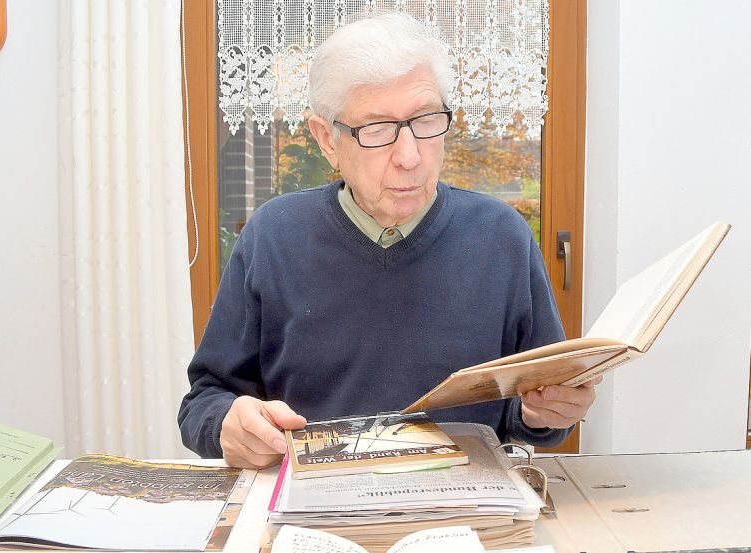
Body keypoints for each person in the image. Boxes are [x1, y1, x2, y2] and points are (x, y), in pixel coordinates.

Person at [178, 12, 600, 469]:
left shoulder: (501, 236)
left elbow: (537, 415)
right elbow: (203, 402)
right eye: (376, 131)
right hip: (313, 507)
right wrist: (228, 424)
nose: (410, 156)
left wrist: (546, 412)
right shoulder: (273, 235)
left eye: (425, 120)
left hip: (464, 508)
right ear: (327, 139)